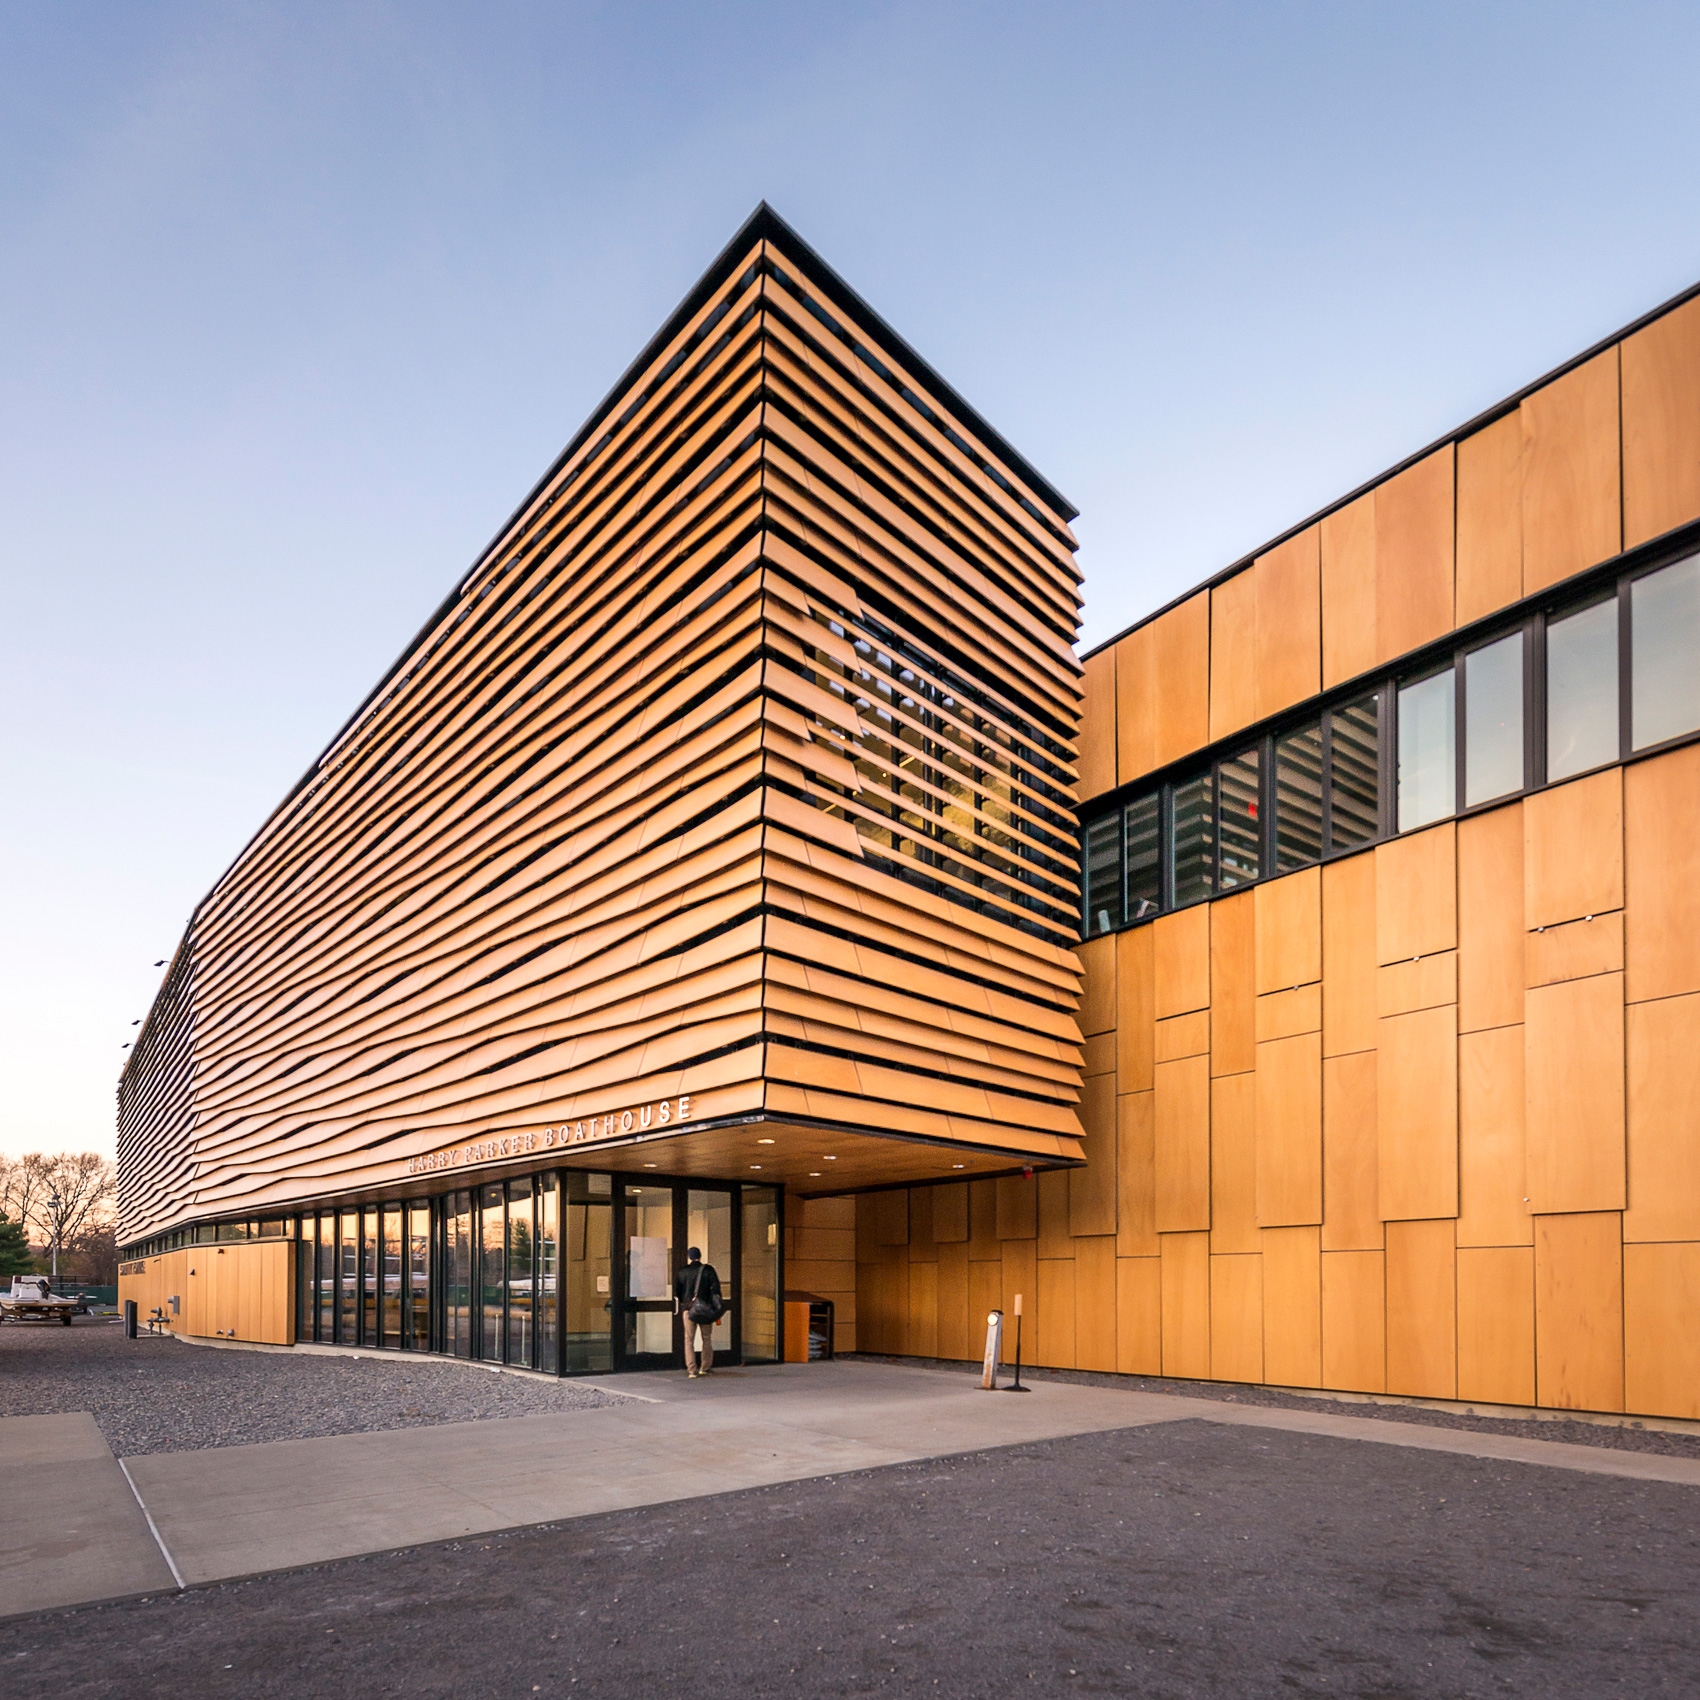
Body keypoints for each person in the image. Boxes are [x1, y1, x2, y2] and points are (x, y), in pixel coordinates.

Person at [674, 1245, 723, 1378]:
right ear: (700, 1256)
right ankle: (705, 1367)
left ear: (689, 1257)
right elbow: (716, 1289)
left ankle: (691, 1370)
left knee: (688, 1339)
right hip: (705, 1310)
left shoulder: (683, 1271)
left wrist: (685, 1301)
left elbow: (677, 1291)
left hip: (688, 1310)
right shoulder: (708, 1270)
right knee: (706, 1338)